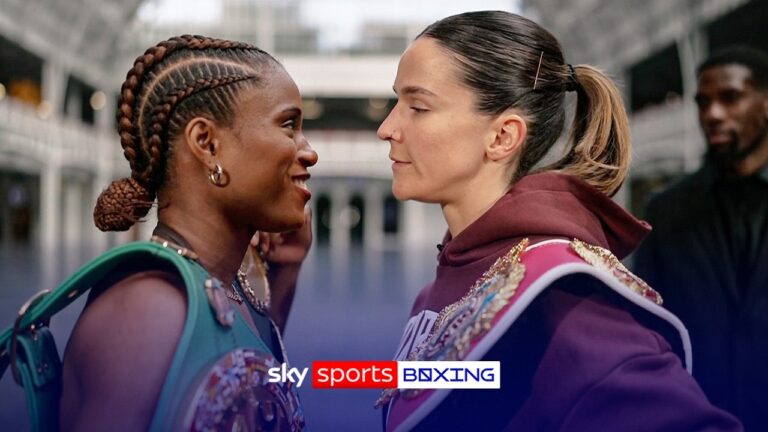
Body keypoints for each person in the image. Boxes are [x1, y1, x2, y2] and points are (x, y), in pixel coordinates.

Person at [374, 11, 741, 432]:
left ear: (502, 137)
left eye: (417, 107)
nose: (387, 128)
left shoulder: (564, 300)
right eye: (396, 103)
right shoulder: (446, 284)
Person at [48, 35, 316, 431]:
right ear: (207, 144)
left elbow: (249, 390)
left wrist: (285, 273)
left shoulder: (228, 287)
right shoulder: (144, 312)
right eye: (288, 125)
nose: (308, 151)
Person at [634, 46, 768, 431]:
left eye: (730, 97)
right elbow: (651, 329)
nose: (713, 114)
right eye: (703, 102)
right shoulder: (666, 211)